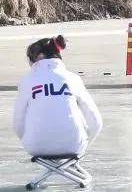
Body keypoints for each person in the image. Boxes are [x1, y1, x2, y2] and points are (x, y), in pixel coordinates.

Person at [13, 35, 102, 168]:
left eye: (30, 60)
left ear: (39, 57)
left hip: (36, 146)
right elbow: (96, 121)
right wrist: (83, 143)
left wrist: (30, 138)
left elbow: (18, 123)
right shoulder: (73, 79)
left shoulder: (27, 80)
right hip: (73, 145)